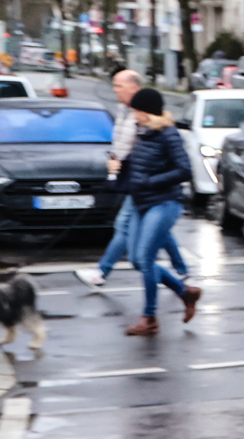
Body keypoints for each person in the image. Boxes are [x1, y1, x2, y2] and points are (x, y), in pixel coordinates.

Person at [76, 68, 188, 292]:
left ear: (134, 88)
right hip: (135, 182)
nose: (115, 89)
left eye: (119, 85)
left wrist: (141, 177)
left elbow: (175, 164)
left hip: (141, 184)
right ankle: (181, 271)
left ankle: (103, 272)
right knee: (153, 233)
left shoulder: (146, 120)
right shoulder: (125, 112)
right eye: (115, 85)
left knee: (130, 234)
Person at [114, 88, 200, 336]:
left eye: (136, 111)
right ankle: (185, 292)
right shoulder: (144, 134)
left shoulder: (168, 135)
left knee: (146, 259)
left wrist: (150, 182)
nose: (133, 116)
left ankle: (149, 318)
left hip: (164, 204)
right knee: (137, 260)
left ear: (147, 111)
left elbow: (184, 170)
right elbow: (139, 167)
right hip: (142, 204)